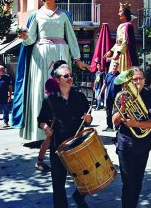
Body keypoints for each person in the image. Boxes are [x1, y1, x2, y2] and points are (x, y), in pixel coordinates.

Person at [12, 0, 89, 140]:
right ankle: (40, 133)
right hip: (40, 56)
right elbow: (31, 39)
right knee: (42, 90)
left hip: (61, 53)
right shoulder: (36, 15)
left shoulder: (63, 15)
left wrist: (77, 58)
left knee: (61, 90)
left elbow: (71, 37)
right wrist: (24, 36)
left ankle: (64, 130)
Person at [37, 64, 92, 208]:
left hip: (78, 146)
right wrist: (46, 128)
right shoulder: (50, 99)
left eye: (71, 75)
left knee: (87, 177)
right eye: (66, 76)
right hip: (58, 147)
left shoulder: (79, 96)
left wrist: (88, 119)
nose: (70, 78)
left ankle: (79, 197)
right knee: (58, 184)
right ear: (57, 79)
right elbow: (41, 120)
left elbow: (89, 117)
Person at [112, 67, 151, 207]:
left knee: (138, 182)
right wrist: (123, 108)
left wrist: (136, 123)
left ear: (144, 80)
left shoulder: (150, 96)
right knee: (128, 183)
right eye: (134, 79)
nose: (137, 82)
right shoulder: (122, 95)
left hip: (143, 145)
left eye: (140, 79)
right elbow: (115, 121)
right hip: (125, 145)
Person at [35, 59, 67, 172]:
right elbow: (50, 99)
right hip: (52, 116)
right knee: (48, 139)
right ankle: (39, 161)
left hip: (63, 115)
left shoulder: (64, 80)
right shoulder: (50, 81)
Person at [104, 2, 139, 73]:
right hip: (117, 53)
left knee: (122, 72)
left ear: (125, 13)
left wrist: (119, 53)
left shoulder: (128, 26)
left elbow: (126, 41)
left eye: (120, 11)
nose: (118, 14)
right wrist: (111, 51)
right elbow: (117, 42)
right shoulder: (120, 26)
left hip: (124, 54)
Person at [98, 61, 122, 131]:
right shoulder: (108, 75)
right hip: (108, 97)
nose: (115, 67)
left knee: (117, 112)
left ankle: (117, 126)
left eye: (116, 66)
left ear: (118, 68)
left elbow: (123, 86)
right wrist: (100, 94)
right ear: (112, 67)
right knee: (108, 112)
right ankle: (109, 126)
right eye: (114, 66)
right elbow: (104, 85)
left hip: (117, 97)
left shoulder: (119, 76)